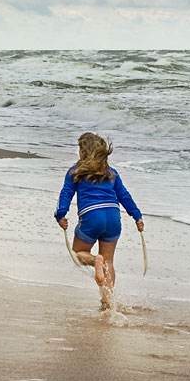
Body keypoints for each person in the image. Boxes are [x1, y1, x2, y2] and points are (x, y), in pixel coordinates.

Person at [54, 132, 144, 308]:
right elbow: (124, 196)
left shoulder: (76, 171)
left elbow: (66, 193)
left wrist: (60, 215)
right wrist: (137, 216)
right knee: (109, 261)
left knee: (78, 253)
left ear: (82, 151)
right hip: (113, 216)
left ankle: (95, 260)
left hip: (91, 216)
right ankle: (108, 300)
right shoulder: (111, 173)